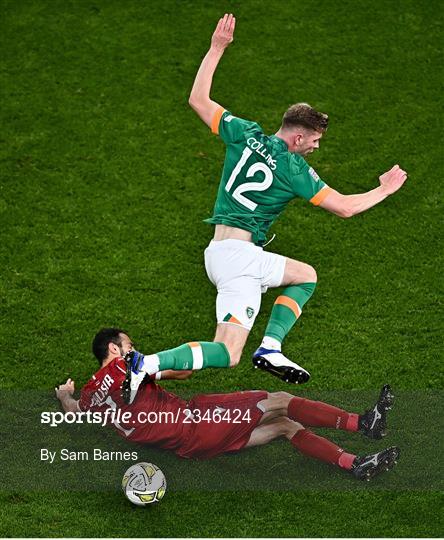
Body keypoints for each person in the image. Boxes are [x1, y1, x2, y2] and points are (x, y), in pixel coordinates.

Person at [187, 14, 408, 384]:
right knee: (232, 346)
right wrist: (384, 190)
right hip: (240, 257)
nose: (317, 147)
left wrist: (216, 48)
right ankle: (269, 346)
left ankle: (152, 367)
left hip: (216, 249)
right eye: (316, 140)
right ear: (300, 138)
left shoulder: (244, 133)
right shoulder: (293, 169)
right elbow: (345, 208)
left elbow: (198, 99)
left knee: (228, 347)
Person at [55, 328, 400, 481]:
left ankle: (355, 463)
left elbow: (75, 412)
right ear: (114, 349)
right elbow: (183, 371)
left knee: (283, 426)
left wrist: (63, 396)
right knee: (279, 401)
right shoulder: (126, 366)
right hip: (197, 421)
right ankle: (363, 423)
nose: (135, 349)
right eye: (129, 344)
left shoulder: (89, 396)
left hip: (191, 447)